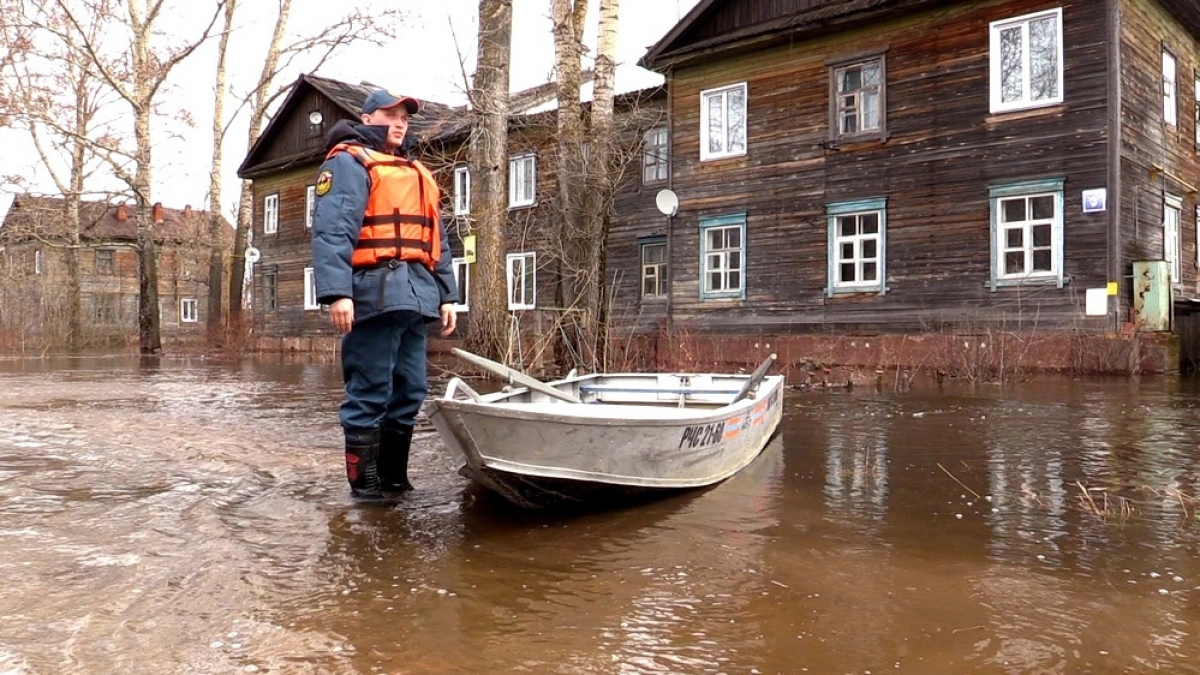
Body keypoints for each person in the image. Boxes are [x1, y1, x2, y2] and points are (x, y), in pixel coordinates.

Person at [310, 89, 459, 501]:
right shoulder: (348, 163)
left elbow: (437, 240)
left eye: (405, 118)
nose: (399, 122)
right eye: (390, 114)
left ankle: (395, 482)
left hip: (416, 298)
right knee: (370, 390)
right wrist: (338, 293)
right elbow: (332, 230)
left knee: (410, 390)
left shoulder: (415, 172)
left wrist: (448, 294)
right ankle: (366, 491)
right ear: (367, 117)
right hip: (372, 296)